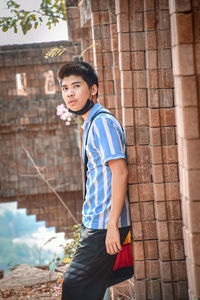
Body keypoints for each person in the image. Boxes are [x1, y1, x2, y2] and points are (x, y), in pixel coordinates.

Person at [57, 61, 131, 300]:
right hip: (94, 224)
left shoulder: (102, 122)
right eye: (65, 88)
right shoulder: (91, 122)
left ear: (93, 89)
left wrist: (112, 228)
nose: (70, 93)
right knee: (89, 290)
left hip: (103, 227)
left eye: (76, 86)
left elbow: (120, 172)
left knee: (74, 288)